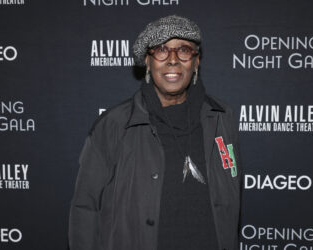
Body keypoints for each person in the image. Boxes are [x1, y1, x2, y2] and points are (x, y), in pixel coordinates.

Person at [69, 15, 241, 250]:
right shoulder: (114, 125)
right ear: (147, 62)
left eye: (183, 50)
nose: (172, 60)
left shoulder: (222, 117)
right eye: (161, 50)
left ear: (196, 60)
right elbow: (85, 209)